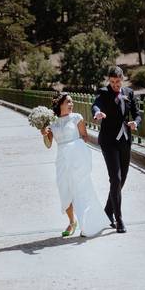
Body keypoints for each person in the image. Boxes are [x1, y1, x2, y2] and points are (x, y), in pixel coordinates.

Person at [42, 93, 111, 238]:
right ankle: (72, 221)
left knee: (80, 190)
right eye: (68, 102)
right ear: (60, 104)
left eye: (72, 102)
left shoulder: (76, 117)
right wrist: (44, 134)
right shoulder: (52, 122)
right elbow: (48, 144)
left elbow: (84, 137)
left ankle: (86, 224)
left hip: (77, 158)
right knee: (64, 189)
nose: (71, 104)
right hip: (62, 158)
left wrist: (76, 147)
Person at [91, 66, 141, 233]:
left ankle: (107, 211)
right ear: (108, 80)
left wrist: (136, 122)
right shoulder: (103, 92)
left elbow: (137, 113)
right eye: (112, 82)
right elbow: (96, 105)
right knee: (116, 178)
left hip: (125, 140)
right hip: (108, 141)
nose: (115, 85)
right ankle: (118, 219)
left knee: (122, 179)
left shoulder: (129, 93)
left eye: (117, 82)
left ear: (122, 79)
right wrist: (97, 113)